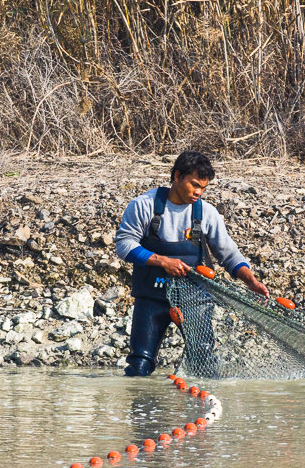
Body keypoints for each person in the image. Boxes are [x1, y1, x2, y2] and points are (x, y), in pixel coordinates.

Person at [114, 151, 269, 376]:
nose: (198, 192)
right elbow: (124, 245)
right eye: (194, 184)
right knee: (139, 366)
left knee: (204, 362)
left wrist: (251, 281)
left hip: (194, 299)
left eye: (203, 188)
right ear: (177, 176)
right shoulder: (143, 205)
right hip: (150, 297)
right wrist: (162, 261)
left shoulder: (206, 213)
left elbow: (229, 254)